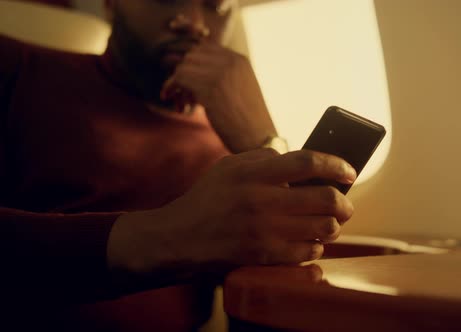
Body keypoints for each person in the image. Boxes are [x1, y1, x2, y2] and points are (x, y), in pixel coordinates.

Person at [0, 0, 356, 330]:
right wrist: (166, 236)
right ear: (111, 3)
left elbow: (284, 267)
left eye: (216, 4)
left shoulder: (232, 139)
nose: (194, 23)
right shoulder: (18, 68)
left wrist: (264, 141)